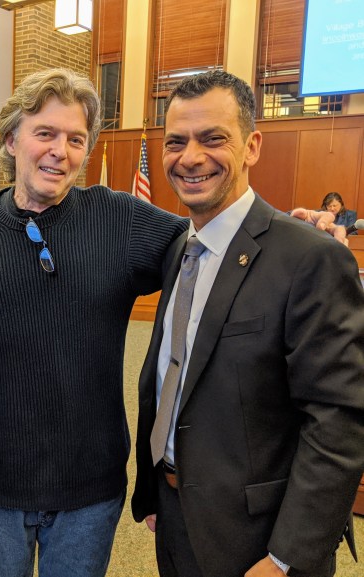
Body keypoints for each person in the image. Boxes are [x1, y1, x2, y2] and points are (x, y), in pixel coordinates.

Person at [0, 68, 189, 576]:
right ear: (10, 140)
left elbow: (213, 246)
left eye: (75, 139)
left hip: (89, 486)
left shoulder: (121, 220)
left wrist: (290, 230)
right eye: (45, 133)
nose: (59, 151)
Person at [131, 70, 364, 577]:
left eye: (213, 138)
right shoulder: (178, 249)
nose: (190, 157)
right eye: (176, 141)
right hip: (175, 517)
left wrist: (286, 559)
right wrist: (155, 488)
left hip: (259, 543)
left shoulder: (309, 257)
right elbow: (173, 375)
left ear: (252, 146)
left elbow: (339, 424)